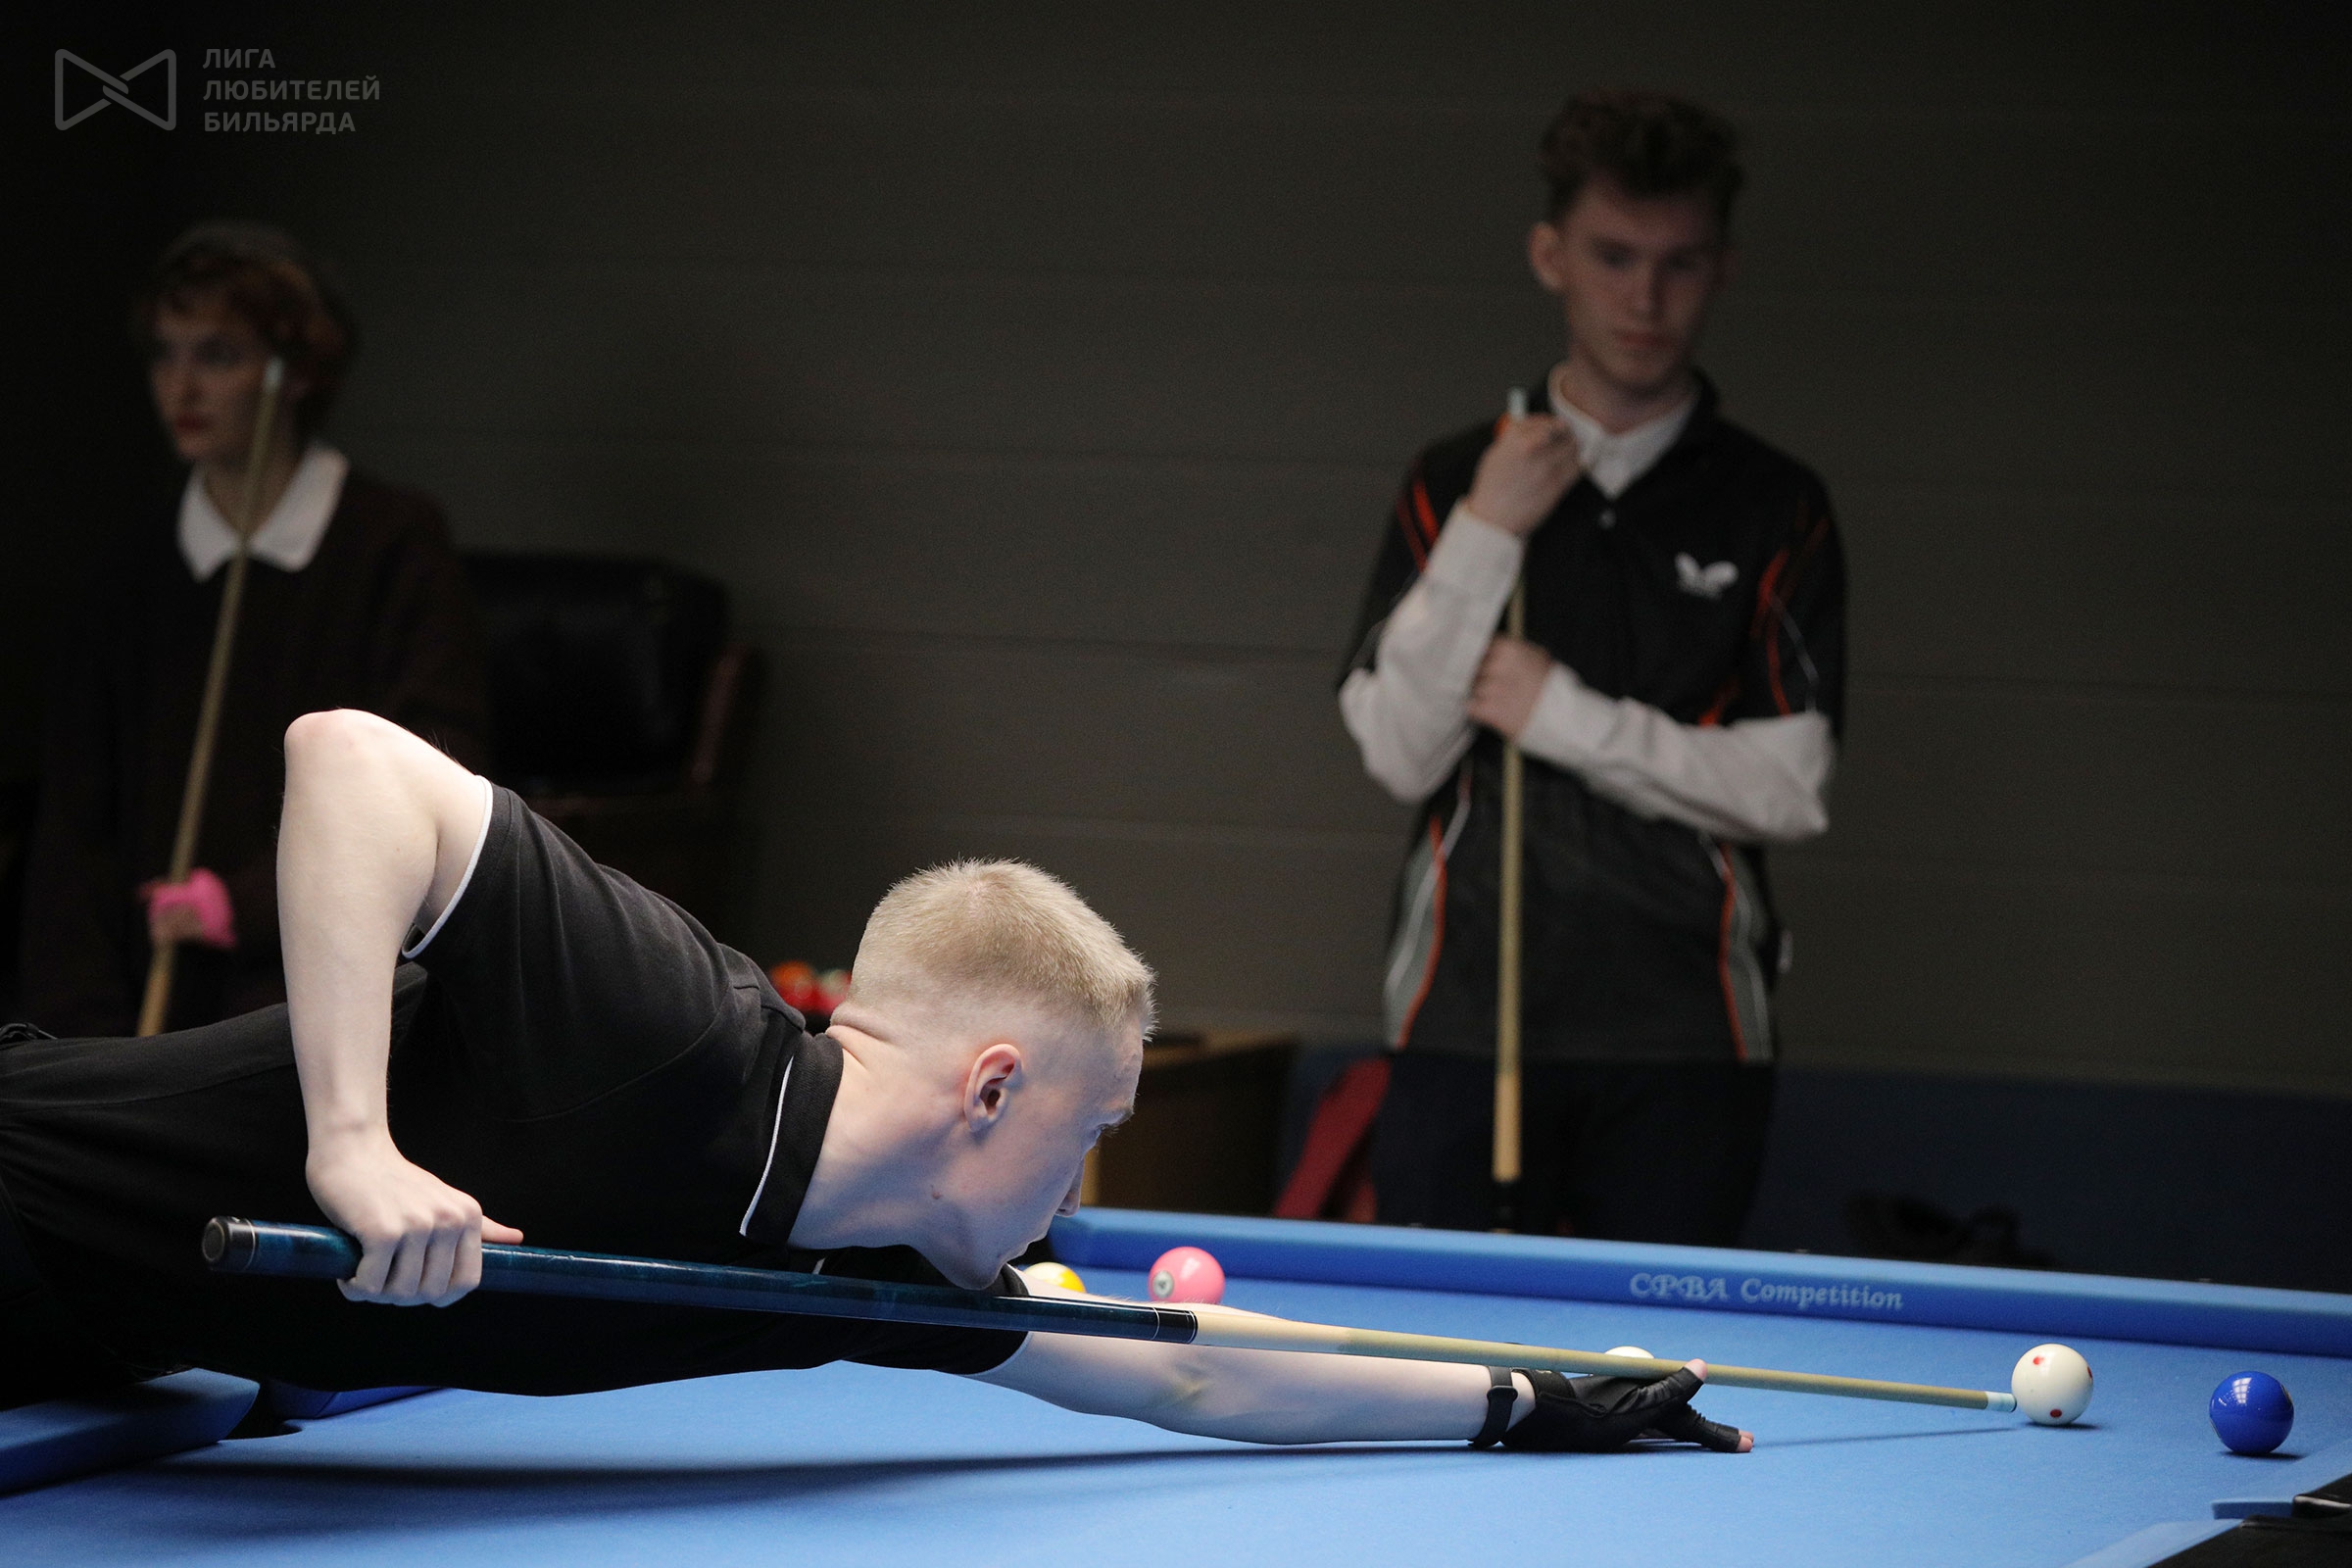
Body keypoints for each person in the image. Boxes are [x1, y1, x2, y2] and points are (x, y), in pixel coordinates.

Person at [0, 709, 1746, 1455]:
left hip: (72, 1336)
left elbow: (1190, 1369)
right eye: (1089, 1132)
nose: (1084, 1193)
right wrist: (353, 1144)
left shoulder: (884, 1266)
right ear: (990, 1090)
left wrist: (1527, 1398)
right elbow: (348, 761)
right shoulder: (674, 1024)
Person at [1335, 91, 1847, 1244]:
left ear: (1722, 269)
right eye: (1614, 258)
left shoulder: (1774, 502)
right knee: (1441, 1342)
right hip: (1464, 1019)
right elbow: (1400, 752)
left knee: (1652, 1348)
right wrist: (1487, 530)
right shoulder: (1455, 479)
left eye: (1680, 263)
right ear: (1550, 257)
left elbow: (1790, 789)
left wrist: (1557, 712)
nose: (1645, 300)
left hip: (1691, 1031)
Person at [20, 222, 489, 1037]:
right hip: (141, 998)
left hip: (318, 986)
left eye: (218, 356)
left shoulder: (391, 542)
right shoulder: (133, 565)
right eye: (165, 354)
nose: (182, 387)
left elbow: (432, 780)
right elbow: (73, 826)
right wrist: (81, 1047)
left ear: (296, 373)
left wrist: (243, 906)